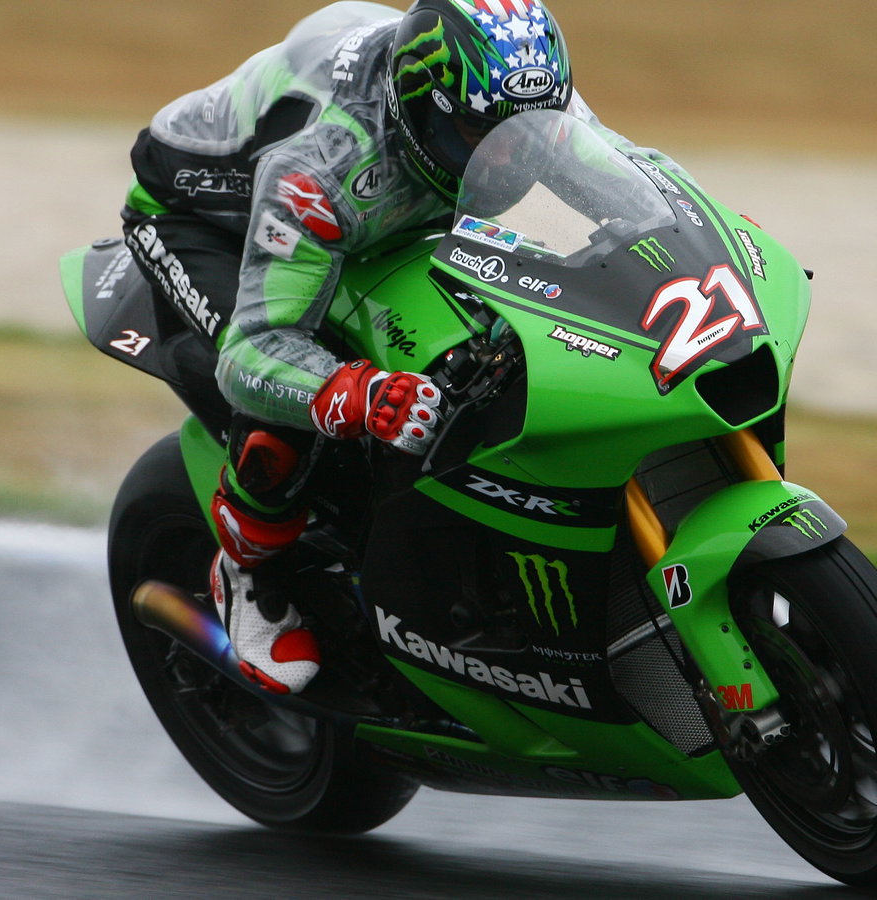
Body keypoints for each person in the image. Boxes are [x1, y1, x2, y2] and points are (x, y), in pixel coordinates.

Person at [119, 0, 686, 694]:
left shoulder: (512, 90)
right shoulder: (325, 166)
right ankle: (246, 574)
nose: (504, 156)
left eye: (523, 132)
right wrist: (356, 393)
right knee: (297, 397)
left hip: (367, 211)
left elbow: (630, 181)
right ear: (422, 106)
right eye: (478, 134)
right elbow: (256, 353)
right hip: (205, 221)